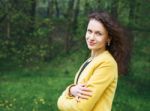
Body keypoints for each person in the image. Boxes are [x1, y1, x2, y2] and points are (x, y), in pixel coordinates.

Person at [57, 11, 131, 111]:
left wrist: (61, 101)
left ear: (108, 38)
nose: (91, 37)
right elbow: (76, 94)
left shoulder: (107, 63)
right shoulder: (90, 60)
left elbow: (80, 107)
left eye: (98, 33)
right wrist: (70, 90)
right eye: (89, 31)